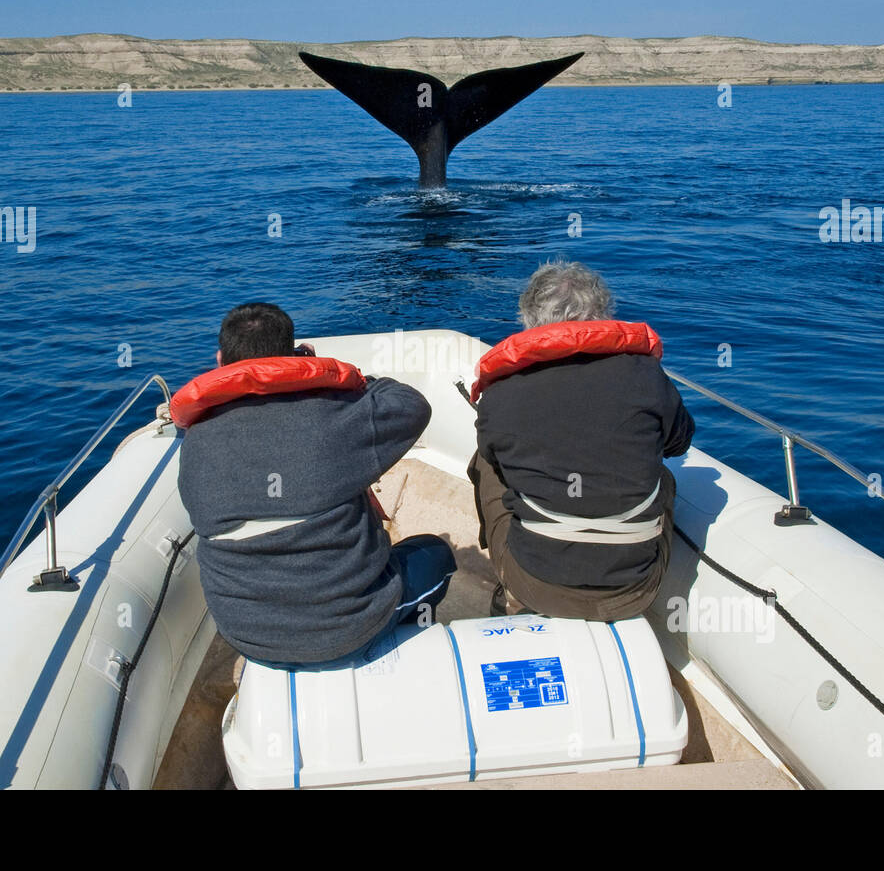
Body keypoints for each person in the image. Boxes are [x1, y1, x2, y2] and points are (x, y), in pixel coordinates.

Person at [175, 302, 455, 670]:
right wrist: (338, 378)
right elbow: (410, 405)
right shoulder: (333, 416)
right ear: (293, 357)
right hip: (353, 629)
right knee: (437, 554)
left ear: (219, 360)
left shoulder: (196, 441)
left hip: (247, 636)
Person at [468, 262, 694, 621]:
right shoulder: (647, 377)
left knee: (484, 463)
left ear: (527, 318)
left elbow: (494, 455)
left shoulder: (501, 392)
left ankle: (511, 589)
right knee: (664, 477)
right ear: (602, 314)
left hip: (536, 584)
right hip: (635, 589)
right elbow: (677, 444)